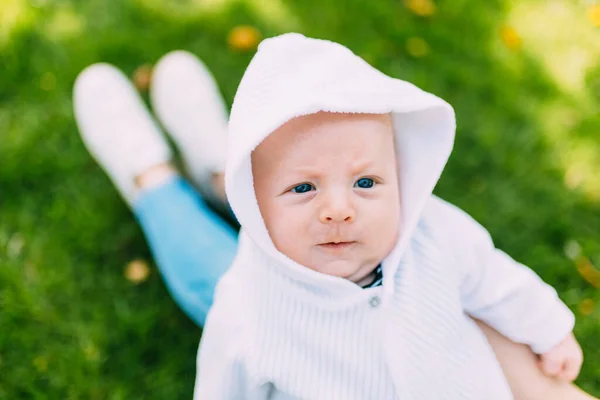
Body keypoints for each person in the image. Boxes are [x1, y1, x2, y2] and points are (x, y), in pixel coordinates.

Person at [72, 38, 596, 399]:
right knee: (212, 270)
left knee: (217, 259)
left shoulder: (435, 231)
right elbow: (222, 387)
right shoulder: (248, 305)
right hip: (267, 264)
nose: (341, 208)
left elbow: (494, 277)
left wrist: (546, 328)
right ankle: (209, 172)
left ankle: (158, 178)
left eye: (366, 183)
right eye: (307, 187)